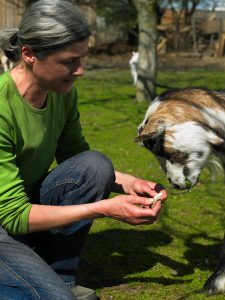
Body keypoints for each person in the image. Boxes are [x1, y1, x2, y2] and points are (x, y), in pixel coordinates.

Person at [0, 1, 167, 299]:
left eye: (83, 58)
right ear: (29, 54)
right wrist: (103, 209)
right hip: (7, 220)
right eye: (69, 62)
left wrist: (130, 184)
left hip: (20, 212)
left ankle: (59, 277)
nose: (80, 71)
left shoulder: (62, 94)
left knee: (95, 164)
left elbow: (77, 162)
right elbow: (12, 215)